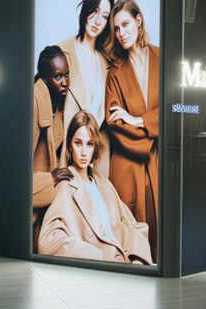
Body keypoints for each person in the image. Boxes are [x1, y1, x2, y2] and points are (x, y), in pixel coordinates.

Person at [37, 111, 153, 264]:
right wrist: (97, 258)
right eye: (78, 143)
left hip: (125, 262)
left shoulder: (105, 185)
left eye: (89, 144)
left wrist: (137, 261)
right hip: (102, 266)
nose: (84, 152)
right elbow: (48, 241)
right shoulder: (66, 185)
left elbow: (132, 227)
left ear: (95, 148)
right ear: (70, 145)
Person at [104, 0, 159, 260]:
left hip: (160, 164)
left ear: (138, 20)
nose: (121, 33)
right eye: (116, 28)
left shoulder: (164, 58)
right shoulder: (114, 72)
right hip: (129, 164)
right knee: (132, 239)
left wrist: (140, 121)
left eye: (125, 24)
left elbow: (179, 106)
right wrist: (155, 134)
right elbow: (114, 121)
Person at [58, 0, 114, 178]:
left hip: (98, 161)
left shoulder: (107, 63)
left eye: (105, 16)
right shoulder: (61, 53)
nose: (98, 21)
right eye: (95, 11)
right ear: (86, 8)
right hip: (67, 157)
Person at [32, 45, 72, 243]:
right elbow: (12, 171)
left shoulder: (60, 101)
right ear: (45, 79)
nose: (65, 82)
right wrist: (50, 179)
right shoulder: (34, 102)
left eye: (67, 75)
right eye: (58, 77)